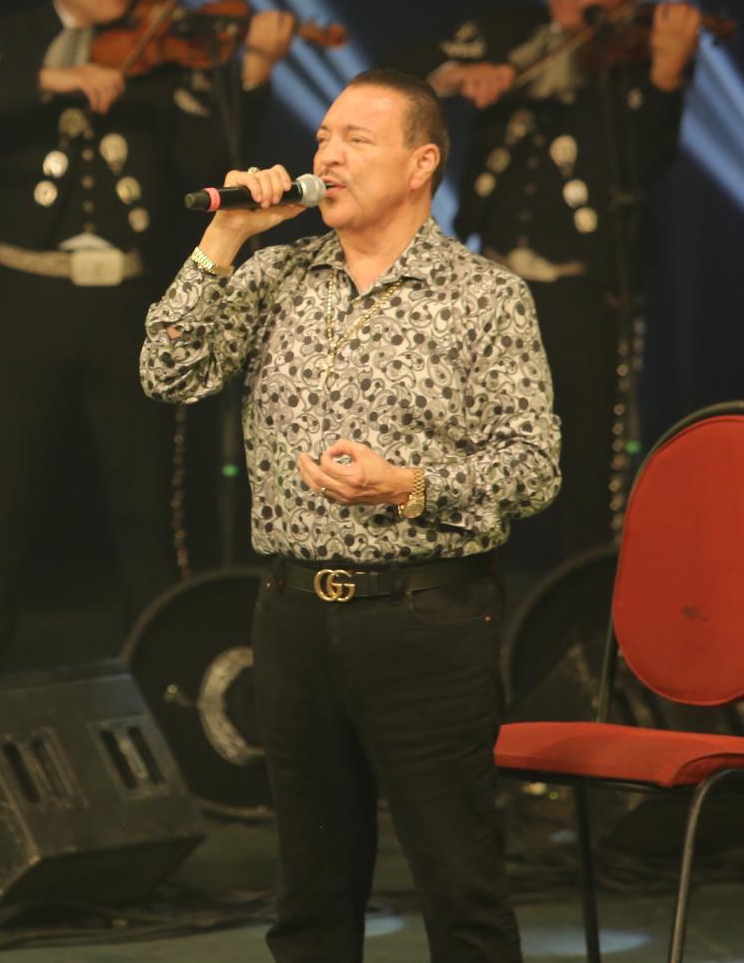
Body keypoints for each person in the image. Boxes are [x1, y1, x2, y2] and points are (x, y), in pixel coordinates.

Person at [140, 69, 558, 962]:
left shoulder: (484, 298)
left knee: (462, 891)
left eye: (356, 139)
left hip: (427, 621)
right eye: (323, 135)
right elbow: (167, 374)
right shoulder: (275, 273)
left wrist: (406, 486)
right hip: (293, 617)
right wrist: (226, 233)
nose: (326, 154)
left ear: (420, 163)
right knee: (310, 901)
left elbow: (532, 468)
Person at [0, 0, 296, 669]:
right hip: (29, 297)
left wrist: (253, 70)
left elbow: (203, 165)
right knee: (3, 506)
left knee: (147, 508)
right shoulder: (11, 39)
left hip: (129, 301)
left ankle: (174, 678)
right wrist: (53, 81)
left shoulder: (161, 50)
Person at [397, 0, 698, 584]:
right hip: (491, 286)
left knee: (584, 465)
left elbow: (642, 165)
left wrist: (668, 78)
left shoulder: (632, 58)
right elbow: (404, 66)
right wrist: (455, 77)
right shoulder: (510, 33)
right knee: (472, 454)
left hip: (583, 293)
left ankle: (580, 628)